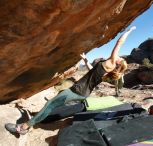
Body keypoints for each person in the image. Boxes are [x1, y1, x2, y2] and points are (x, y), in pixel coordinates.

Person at [5, 26, 136, 135]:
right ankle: (36, 119)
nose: (118, 56)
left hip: (77, 91)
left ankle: (24, 127)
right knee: (53, 103)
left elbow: (119, 44)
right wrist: (85, 60)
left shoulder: (112, 63)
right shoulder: (106, 67)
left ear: (118, 63)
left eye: (119, 58)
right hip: (81, 92)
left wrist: (128, 32)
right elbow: (92, 71)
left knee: (50, 104)